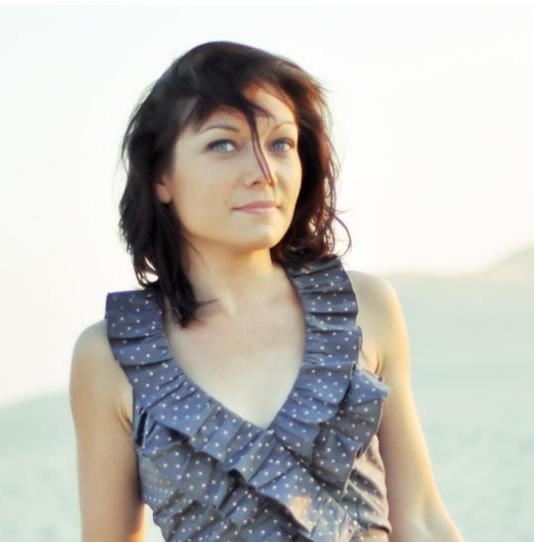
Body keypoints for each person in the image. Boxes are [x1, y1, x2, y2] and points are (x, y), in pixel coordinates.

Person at [70, 41, 464, 542]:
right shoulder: (111, 355)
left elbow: (422, 518)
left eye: (281, 144)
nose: (264, 172)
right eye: (223, 144)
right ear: (161, 176)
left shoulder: (364, 308)